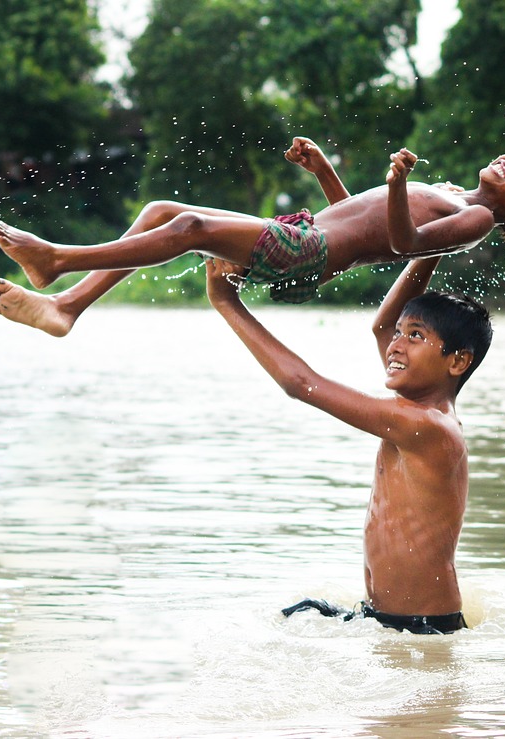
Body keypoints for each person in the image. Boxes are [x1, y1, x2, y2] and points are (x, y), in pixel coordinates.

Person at [0, 137, 505, 336]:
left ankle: (57, 260)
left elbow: (401, 246)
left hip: (306, 253)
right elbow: (358, 223)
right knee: (162, 209)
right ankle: (67, 306)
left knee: (189, 228)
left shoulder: (474, 220)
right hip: (307, 238)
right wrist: (324, 170)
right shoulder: (455, 192)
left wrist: (398, 183)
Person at [204, 253, 490, 634]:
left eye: (416, 336)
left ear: (457, 362)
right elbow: (381, 327)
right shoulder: (414, 408)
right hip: (382, 618)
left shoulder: (425, 425)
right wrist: (431, 248)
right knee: (295, 616)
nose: (396, 345)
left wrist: (227, 302)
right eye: (400, 334)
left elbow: (301, 384)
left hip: (424, 629)